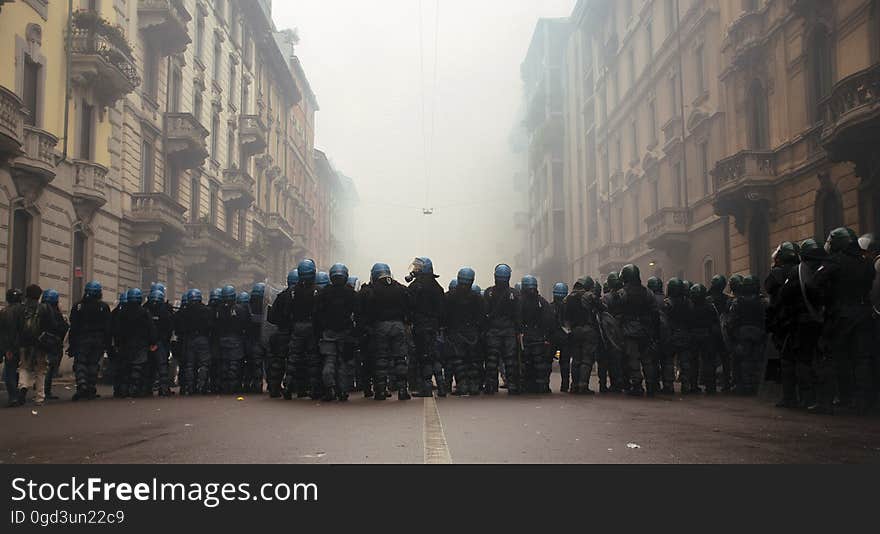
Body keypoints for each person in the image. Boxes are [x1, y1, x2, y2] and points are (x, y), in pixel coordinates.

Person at [810, 228, 874, 414]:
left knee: (838, 357)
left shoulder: (834, 261)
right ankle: (864, 400)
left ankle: (841, 398)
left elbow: (815, 282)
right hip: (863, 313)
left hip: (841, 316)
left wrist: (826, 297)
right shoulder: (866, 262)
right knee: (862, 358)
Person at [775, 239, 826, 409]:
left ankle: (802, 398)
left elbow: (784, 295)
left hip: (800, 323)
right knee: (819, 359)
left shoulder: (797, 271)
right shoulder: (824, 268)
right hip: (821, 320)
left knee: (794, 360)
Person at [360, 263, 411, 400]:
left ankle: (381, 391)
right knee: (400, 359)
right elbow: (409, 306)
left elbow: (364, 310)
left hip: (380, 327)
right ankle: (402, 391)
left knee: (381, 359)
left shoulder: (370, 290)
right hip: (398, 325)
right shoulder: (400, 288)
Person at [315, 264, 359, 401]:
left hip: (328, 332)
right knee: (344, 362)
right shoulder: (351, 293)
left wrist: (319, 329)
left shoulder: (324, 292)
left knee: (329, 361)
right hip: (346, 332)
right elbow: (358, 313)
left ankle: (330, 388)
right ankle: (343, 391)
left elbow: (317, 313)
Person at [13, 284, 61, 406]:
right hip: (40, 344)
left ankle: (23, 386)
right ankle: (39, 397)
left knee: (24, 367)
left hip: (24, 344)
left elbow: (17, 327)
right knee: (40, 370)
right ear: (39, 295)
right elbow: (53, 325)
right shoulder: (44, 308)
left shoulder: (21, 309)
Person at [616, 265, 660, 396]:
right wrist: (655, 333)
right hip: (646, 331)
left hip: (629, 331)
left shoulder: (622, 293)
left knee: (633, 359)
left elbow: (618, 315)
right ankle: (651, 385)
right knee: (647, 359)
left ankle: (637, 386)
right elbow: (655, 314)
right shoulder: (648, 292)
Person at [406, 257, 445, 398]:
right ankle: (441, 387)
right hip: (434, 326)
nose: (414, 270)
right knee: (435, 355)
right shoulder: (438, 287)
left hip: (421, 326)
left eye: (417, 268)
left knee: (424, 357)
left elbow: (409, 307)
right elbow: (442, 310)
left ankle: (426, 388)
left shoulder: (415, 287)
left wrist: (409, 322)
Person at [443, 268, 485, 396]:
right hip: (472, 332)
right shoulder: (477, 297)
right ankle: (474, 386)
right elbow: (482, 316)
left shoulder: (449, 296)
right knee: (472, 360)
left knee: (458, 361)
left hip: (455, 332)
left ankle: (462, 385)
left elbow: (444, 315)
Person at [285, 260, 321, 400]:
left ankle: (288, 386)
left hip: (297, 327)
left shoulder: (292, 291)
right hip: (311, 327)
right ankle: (313, 389)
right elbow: (320, 311)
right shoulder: (317, 291)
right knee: (313, 359)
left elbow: (286, 312)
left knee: (293, 358)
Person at [483, 264, 520, 394]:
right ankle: (513, 385)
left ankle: (491, 386)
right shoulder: (514, 294)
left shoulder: (488, 292)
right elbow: (518, 314)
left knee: (492, 360)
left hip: (493, 331)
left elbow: (484, 312)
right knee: (510, 360)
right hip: (509, 331)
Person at [564, 277, 604, 394]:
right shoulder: (588, 296)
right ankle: (583, 385)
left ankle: (574, 385)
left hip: (574, 331)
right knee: (586, 359)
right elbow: (601, 307)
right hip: (588, 330)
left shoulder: (568, 298)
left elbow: (565, 317)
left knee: (576, 359)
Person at [115, 288, 158, 397]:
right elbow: (151, 328)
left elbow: (116, 328)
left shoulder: (121, 312)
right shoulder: (144, 312)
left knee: (125, 366)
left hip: (125, 343)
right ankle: (135, 388)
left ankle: (124, 389)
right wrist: (152, 342)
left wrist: (117, 342)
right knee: (138, 366)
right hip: (141, 343)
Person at [727, 275, 766, 396]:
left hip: (742, 335)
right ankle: (756, 386)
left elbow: (731, 321)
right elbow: (767, 318)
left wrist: (732, 335)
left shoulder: (737, 302)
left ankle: (746, 386)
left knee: (744, 361)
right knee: (758, 361)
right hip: (759, 334)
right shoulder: (763, 302)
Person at [175, 289, 214, 395]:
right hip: (203, 339)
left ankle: (190, 387)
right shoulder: (206, 310)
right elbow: (211, 326)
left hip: (189, 339)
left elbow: (178, 327)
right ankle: (201, 386)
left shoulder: (183, 311)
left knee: (189, 365)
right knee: (204, 364)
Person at [266, 270, 298, 398]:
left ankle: (274, 388)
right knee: (296, 361)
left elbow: (271, 317)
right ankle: (293, 387)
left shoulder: (281, 296)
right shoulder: (306, 292)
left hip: (282, 332)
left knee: (278, 361)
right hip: (297, 334)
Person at [519, 276, 553, 393]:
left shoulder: (520, 301)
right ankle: (541, 386)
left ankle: (526, 386)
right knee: (539, 362)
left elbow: (516, 319)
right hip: (538, 336)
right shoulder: (542, 302)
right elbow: (548, 320)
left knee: (525, 362)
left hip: (525, 336)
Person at [214, 286, 250, 394]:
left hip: (222, 339)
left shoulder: (218, 310)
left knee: (224, 364)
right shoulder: (240, 309)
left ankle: (224, 387)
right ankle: (233, 387)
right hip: (236, 339)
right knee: (234, 365)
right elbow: (246, 323)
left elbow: (214, 325)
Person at [663, 278, 692, 394]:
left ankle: (669, 385)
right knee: (685, 362)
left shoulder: (667, 303)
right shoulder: (688, 302)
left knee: (669, 361)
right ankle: (686, 384)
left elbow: (663, 321)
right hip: (685, 334)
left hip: (671, 334)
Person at [40, 289, 68, 400]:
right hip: (52, 343)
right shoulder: (55, 312)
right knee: (49, 368)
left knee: (41, 367)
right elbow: (62, 327)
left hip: (40, 342)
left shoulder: (40, 310)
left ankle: (40, 388)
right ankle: (45, 390)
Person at [145, 288, 174, 396]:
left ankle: (146, 388)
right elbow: (169, 326)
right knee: (162, 366)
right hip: (161, 341)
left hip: (148, 342)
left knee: (148, 366)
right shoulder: (165, 311)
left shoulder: (145, 309)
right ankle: (164, 389)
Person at [243, 284, 272, 394]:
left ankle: (257, 384)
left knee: (256, 364)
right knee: (269, 363)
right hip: (267, 339)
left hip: (254, 340)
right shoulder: (268, 306)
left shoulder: (248, 308)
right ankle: (271, 385)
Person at [690, 284, 718, 394]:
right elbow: (715, 322)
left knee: (694, 362)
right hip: (707, 336)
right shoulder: (710, 306)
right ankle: (710, 386)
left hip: (694, 336)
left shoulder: (690, 307)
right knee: (708, 362)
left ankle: (693, 385)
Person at [707, 275, 732, 392]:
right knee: (725, 359)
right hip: (723, 332)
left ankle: (710, 385)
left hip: (711, 333)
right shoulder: (728, 299)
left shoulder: (707, 299)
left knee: (711, 359)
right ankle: (726, 383)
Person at [1, 289, 23, 406]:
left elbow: (2, 333)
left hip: (9, 346)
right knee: (23, 370)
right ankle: (18, 394)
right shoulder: (24, 310)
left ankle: (13, 396)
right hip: (23, 345)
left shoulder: (4, 312)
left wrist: (6, 349)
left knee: (10, 371)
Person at [550, 283, 571, 393]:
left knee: (547, 361)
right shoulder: (569, 308)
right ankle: (565, 385)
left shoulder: (549, 307)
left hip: (552, 337)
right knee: (565, 363)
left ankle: (544, 384)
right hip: (565, 338)